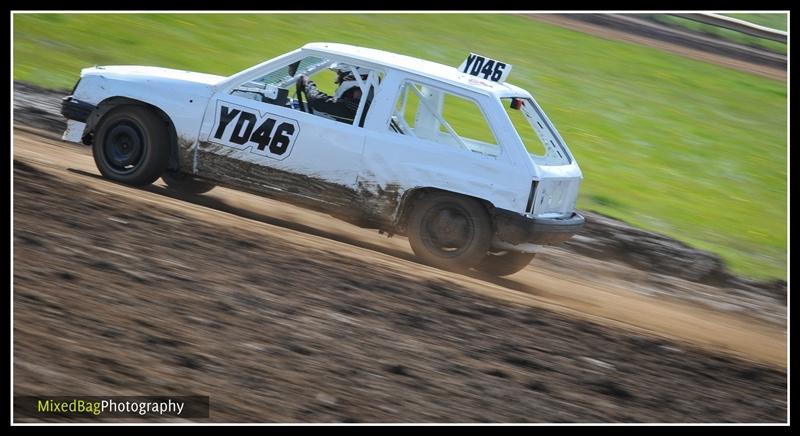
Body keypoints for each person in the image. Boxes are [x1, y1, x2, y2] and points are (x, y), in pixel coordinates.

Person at [296, 68, 369, 124]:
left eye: (339, 77)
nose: (336, 82)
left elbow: (317, 101)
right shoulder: (368, 104)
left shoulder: (357, 106)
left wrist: (307, 83)